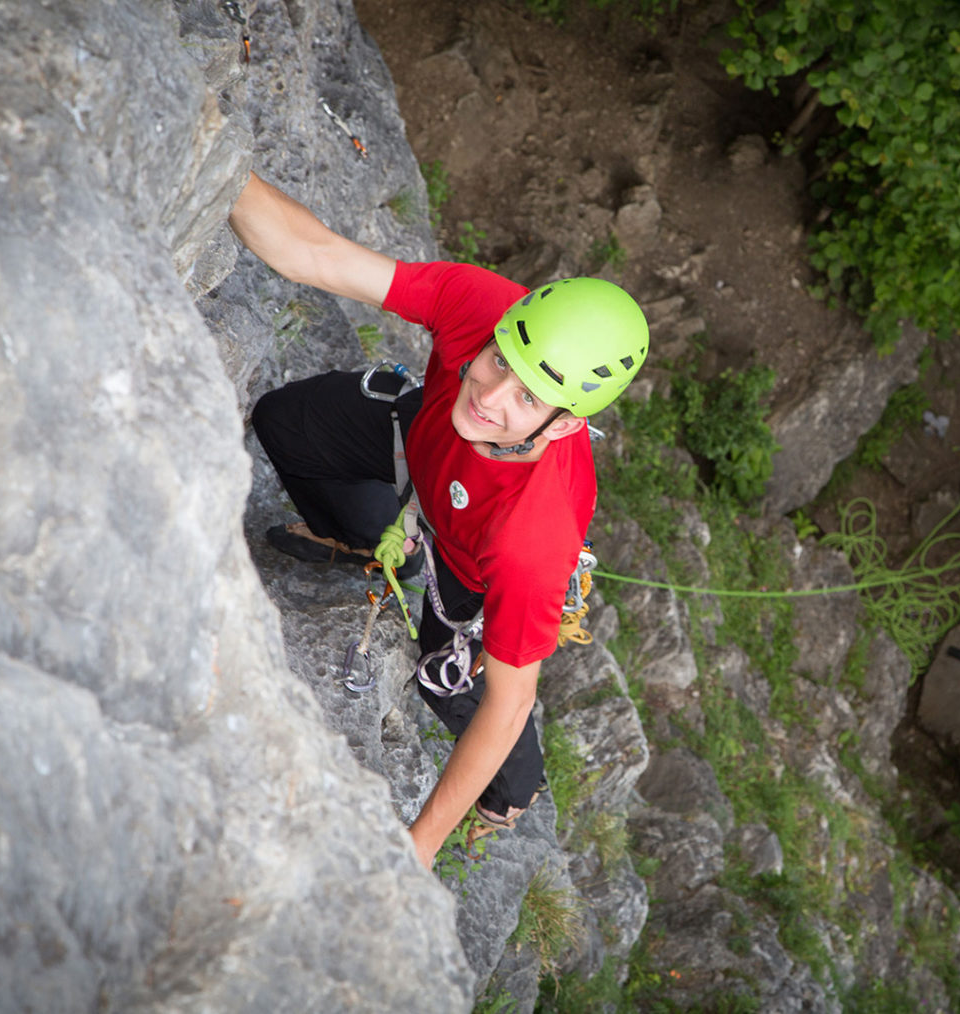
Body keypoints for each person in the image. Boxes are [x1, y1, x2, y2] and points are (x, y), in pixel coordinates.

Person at [228, 171, 649, 869]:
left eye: (527, 398)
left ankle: (515, 786)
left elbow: (511, 700)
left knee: (443, 677)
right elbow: (317, 253)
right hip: (421, 445)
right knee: (285, 422)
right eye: (495, 362)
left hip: (470, 554)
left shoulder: (529, 541)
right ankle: (360, 538)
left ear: (566, 423)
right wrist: (221, 163)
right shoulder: (490, 310)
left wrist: (418, 846)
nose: (490, 395)